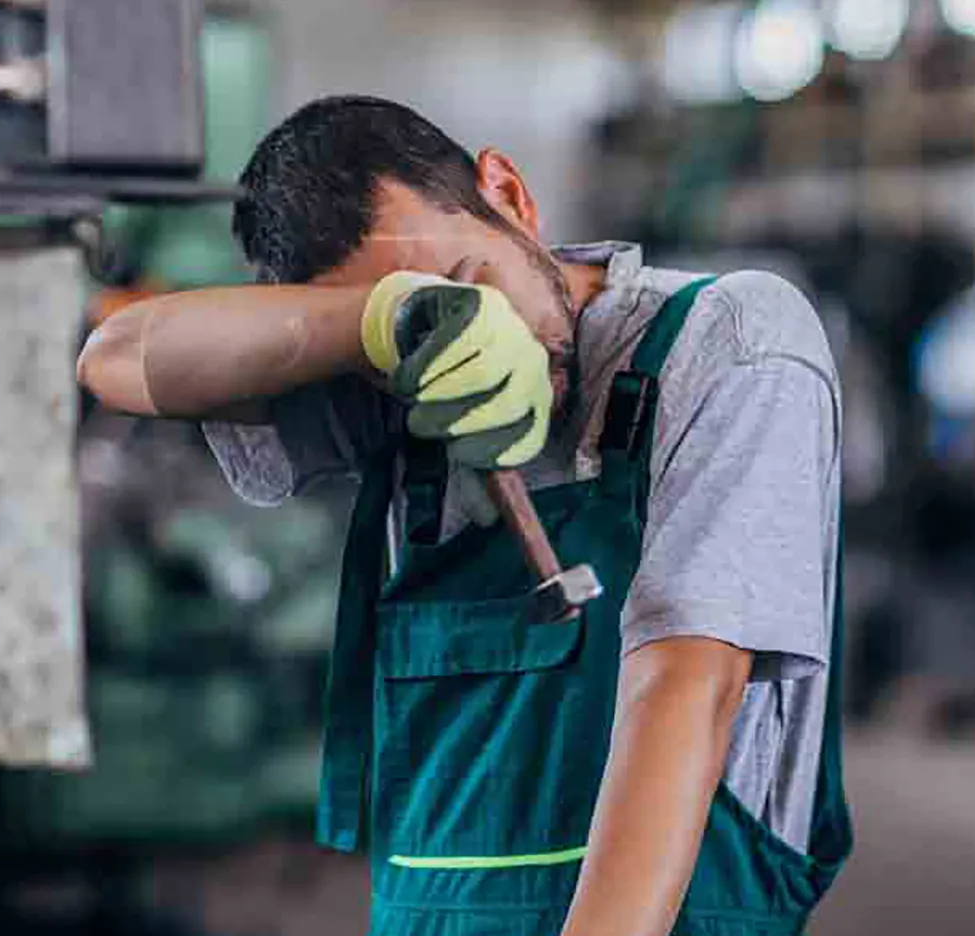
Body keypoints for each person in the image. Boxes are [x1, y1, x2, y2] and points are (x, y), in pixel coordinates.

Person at [78, 95, 851, 936]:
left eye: (467, 282)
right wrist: (386, 324)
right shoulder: (397, 378)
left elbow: (687, 688)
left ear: (509, 194)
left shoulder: (727, 340)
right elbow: (117, 358)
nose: (475, 333)